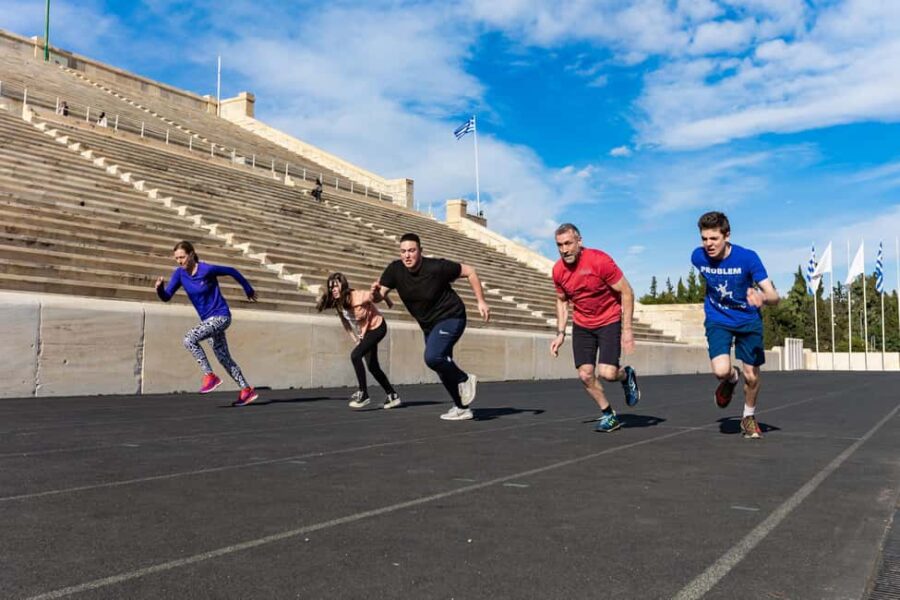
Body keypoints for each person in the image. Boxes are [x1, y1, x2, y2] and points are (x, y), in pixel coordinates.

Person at [372, 233, 490, 421]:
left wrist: (481, 301)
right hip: (429, 325)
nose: (407, 256)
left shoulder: (436, 267)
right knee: (442, 365)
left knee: (433, 357)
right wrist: (376, 294)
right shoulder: (395, 270)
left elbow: (470, 271)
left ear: (420, 251)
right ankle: (462, 408)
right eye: (403, 251)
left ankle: (465, 379)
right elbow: (379, 296)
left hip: (452, 316)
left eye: (411, 251)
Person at [692, 211, 778, 439]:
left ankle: (748, 417)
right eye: (704, 239)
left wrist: (763, 298)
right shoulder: (698, 258)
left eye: (714, 239)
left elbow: (774, 295)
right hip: (718, 319)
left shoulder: (748, 258)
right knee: (721, 371)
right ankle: (731, 378)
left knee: (752, 377)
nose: (708, 244)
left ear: (727, 235)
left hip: (748, 321)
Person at [549, 223, 641, 433]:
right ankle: (609, 414)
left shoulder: (600, 261)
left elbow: (627, 292)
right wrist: (560, 333)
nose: (564, 250)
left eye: (568, 243)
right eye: (560, 245)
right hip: (582, 324)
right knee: (585, 375)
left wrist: (627, 329)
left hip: (609, 320)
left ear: (579, 241)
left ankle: (625, 376)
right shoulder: (558, 270)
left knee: (608, 374)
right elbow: (562, 301)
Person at [155, 241, 260, 407]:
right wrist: (160, 289)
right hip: (208, 322)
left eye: (182, 257)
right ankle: (246, 390)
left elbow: (232, 271)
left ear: (191, 254)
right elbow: (167, 296)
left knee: (189, 339)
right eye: (176, 258)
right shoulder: (179, 274)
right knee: (224, 358)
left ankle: (210, 376)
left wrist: (248, 289)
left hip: (221, 316)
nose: (179, 261)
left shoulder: (206, 270)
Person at [317, 272, 401, 410]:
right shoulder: (338, 303)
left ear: (343, 285)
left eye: (336, 286)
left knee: (355, 355)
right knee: (372, 366)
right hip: (366, 332)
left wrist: (387, 299)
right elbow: (345, 322)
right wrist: (355, 339)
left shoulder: (356, 296)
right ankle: (392, 395)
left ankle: (364, 394)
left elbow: (374, 296)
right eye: (331, 287)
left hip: (378, 327)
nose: (334, 290)